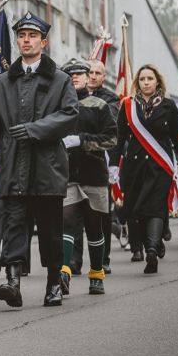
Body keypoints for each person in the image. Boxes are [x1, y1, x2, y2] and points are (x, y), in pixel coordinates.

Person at [0, 13, 78, 308]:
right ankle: (12, 281)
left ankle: (54, 282)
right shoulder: (3, 82)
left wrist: (33, 130)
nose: (26, 40)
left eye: (32, 36)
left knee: (50, 231)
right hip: (13, 168)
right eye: (21, 35)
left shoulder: (60, 79)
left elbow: (70, 115)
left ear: (43, 42)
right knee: (14, 226)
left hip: (48, 169)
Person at [114, 64, 178, 274]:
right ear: (137, 82)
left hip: (160, 165)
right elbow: (120, 138)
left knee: (156, 207)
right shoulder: (128, 106)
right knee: (136, 208)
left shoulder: (168, 106)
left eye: (150, 78)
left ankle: (151, 251)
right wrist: (113, 164)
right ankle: (144, 245)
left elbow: (177, 136)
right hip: (134, 166)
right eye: (142, 79)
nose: (146, 82)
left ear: (157, 81)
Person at [59, 58, 117, 296]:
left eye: (79, 74)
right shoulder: (57, 105)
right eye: (70, 74)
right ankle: (63, 271)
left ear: (87, 77)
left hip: (94, 175)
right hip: (67, 174)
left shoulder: (100, 105)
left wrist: (82, 141)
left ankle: (96, 274)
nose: (75, 77)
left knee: (94, 227)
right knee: (68, 222)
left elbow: (112, 139)